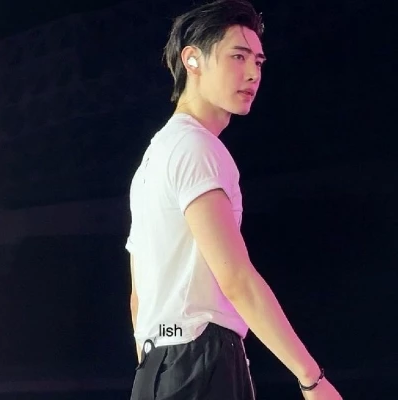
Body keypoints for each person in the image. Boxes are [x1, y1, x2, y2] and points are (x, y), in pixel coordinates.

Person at [126, 0, 343, 399]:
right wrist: (312, 380)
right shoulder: (197, 148)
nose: (253, 73)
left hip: (158, 367)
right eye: (237, 56)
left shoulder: (153, 159)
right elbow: (237, 279)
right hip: (201, 359)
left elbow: (139, 297)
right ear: (192, 60)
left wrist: (158, 371)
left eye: (258, 62)